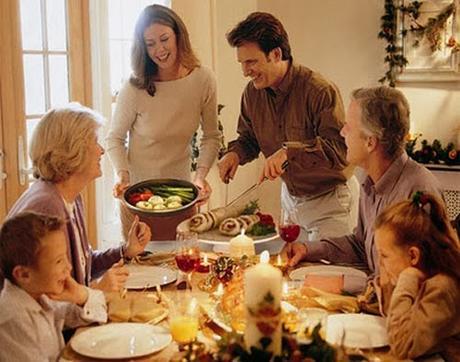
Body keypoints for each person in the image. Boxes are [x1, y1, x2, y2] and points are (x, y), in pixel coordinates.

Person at [218, 12, 356, 238]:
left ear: (276, 54)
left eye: (251, 62)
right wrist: (234, 154)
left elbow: (341, 151)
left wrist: (288, 153)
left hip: (330, 203)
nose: (245, 72)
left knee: (324, 272)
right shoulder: (252, 94)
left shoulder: (319, 90)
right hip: (291, 201)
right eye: (242, 63)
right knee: (292, 272)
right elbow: (249, 139)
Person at [286, 86, 442, 276]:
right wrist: (307, 249)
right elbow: (361, 245)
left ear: (370, 142)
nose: (342, 133)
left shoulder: (418, 191)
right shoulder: (369, 182)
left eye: (349, 127)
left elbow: (421, 281)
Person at [7, 104, 151, 292]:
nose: (101, 150)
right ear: (73, 148)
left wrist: (126, 250)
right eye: (94, 141)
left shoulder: (70, 197)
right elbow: (47, 299)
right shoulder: (46, 206)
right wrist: (98, 291)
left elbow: (84, 266)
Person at [106, 4, 222, 236]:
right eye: (150, 44)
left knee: (182, 263)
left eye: (164, 39)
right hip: (139, 197)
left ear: (179, 36)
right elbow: (115, 138)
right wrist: (123, 176)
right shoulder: (134, 86)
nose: (159, 49)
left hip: (182, 196)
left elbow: (211, 136)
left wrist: (199, 178)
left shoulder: (203, 79)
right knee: (140, 267)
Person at [0, 212, 108, 361]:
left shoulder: (41, 294)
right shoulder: (12, 320)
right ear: (24, 274)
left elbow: (96, 314)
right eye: (59, 261)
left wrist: (80, 295)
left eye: (66, 258)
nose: (68, 267)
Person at [374, 192, 460, 360]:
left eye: (384, 255)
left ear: (413, 256)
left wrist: (407, 279)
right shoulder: (424, 272)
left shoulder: (442, 287)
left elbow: (402, 346)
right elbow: (390, 313)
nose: (380, 264)